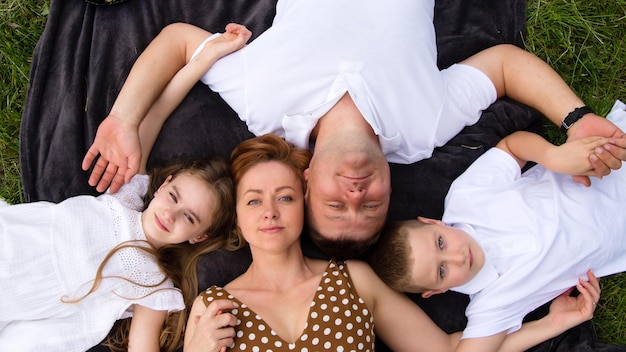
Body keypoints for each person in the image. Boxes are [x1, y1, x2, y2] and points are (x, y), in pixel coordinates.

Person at [81, 0, 626, 254]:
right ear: (390, 190)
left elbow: (179, 39)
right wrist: (575, 118)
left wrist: (124, 119)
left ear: (305, 176)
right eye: (371, 207)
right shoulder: (422, 131)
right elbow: (505, 64)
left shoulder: (263, 107)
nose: (356, 195)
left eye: (335, 205)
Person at [183, 133, 600, 352]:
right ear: (236, 216)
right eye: (254, 200)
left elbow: (452, 350)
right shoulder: (216, 305)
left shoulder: (353, 281)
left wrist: (552, 324)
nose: (270, 211)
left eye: (285, 197)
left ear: (305, 203)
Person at [367, 100, 626, 351]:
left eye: (440, 242)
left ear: (433, 222)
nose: (457, 257)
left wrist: (553, 156)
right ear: (437, 291)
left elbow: (512, 148)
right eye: (442, 271)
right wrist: (551, 324)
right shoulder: (491, 304)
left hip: (605, 164)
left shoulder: (466, 198)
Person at [0, 153, 238, 352]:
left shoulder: (154, 283)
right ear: (163, 185)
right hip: (21, 239)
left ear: (199, 237)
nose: (170, 214)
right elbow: (138, 131)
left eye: (189, 217)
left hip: (27, 297)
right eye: (173, 196)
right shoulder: (128, 195)